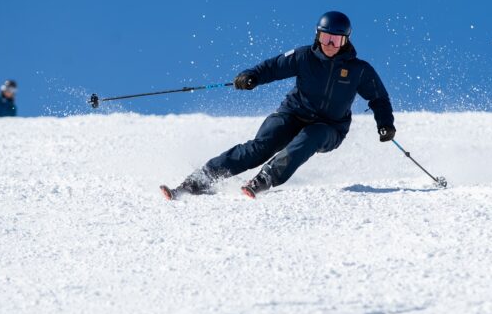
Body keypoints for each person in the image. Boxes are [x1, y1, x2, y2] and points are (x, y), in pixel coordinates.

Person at [161, 11, 396, 200]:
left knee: (312, 135)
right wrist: (251, 76)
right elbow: (274, 67)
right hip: (293, 114)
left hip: (330, 127)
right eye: (325, 37)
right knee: (260, 147)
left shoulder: (359, 70)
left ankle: (264, 179)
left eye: (336, 39)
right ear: (317, 35)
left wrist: (385, 124)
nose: (330, 44)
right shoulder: (304, 56)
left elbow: (379, 98)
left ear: (346, 40)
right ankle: (197, 180)